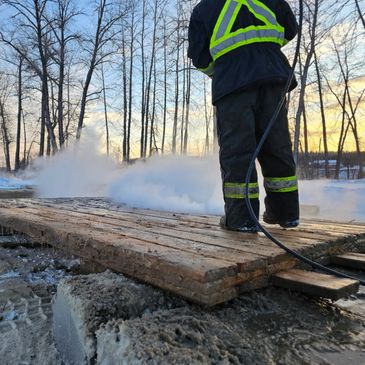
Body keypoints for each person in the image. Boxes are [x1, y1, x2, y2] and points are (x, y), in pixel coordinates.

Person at [188, 0, 300, 233]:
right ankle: (286, 213)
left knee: (238, 152)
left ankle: (242, 218)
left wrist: (223, 69)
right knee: (276, 147)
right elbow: (290, 30)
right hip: (273, 78)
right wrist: (263, 52)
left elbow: (199, 58)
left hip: (232, 84)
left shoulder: (203, 9)